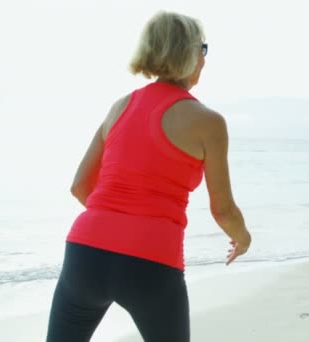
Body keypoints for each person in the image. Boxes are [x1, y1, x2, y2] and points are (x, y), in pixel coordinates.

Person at [46, 11, 251, 342]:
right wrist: (243, 238)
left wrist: (115, 224)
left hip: (85, 253)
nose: (204, 58)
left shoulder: (120, 106)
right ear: (190, 54)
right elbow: (223, 210)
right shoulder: (208, 122)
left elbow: (80, 186)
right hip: (151, 261)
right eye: (203, 49)